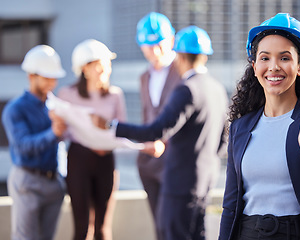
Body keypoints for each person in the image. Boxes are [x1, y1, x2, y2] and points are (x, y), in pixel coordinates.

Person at [218, 13, 300, 240]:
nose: (274, 67)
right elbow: (230, 203)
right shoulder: (240, 127)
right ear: (255, 66)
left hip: (298, 234)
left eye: (285, 58)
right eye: (265, 58)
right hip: (247, 234)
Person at [108, 25, 228, 240]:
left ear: (180, 57)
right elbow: (224, 139)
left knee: (171, 234)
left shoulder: (186, 89)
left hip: (180, 183)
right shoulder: (216, 88)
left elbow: (156, 130)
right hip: (206, 178)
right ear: (205, 57)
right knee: (197, 234)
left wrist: (114, 126)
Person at [57, 39, 126, 240]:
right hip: (79, 161)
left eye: (107, 66)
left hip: (106, 162)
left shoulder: (115, 95)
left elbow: (123, 131)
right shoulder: (66, 94)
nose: (104, 70)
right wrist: (57, 125)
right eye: (99, 66)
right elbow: (62, 134)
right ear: (84, 69)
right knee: (82, 228)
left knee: (103, 229)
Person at [2, 45, 67, 240]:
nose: (52, 83)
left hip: (53, 182)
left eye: (54, 78)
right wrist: (53, 133)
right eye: (47, 77)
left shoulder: (55, 106)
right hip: (28, 182)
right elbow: (23, 145)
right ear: (31, 76)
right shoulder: (15, 109)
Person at [135, 12, 183, 237]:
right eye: (148, 46)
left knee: (175, 226)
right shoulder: (143, 77)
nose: (154, 51)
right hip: (149, 163)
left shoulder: (183, 72)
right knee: (159, 228)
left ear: (171, 40)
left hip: (176, 161)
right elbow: (147, 116)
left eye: (159, 44)